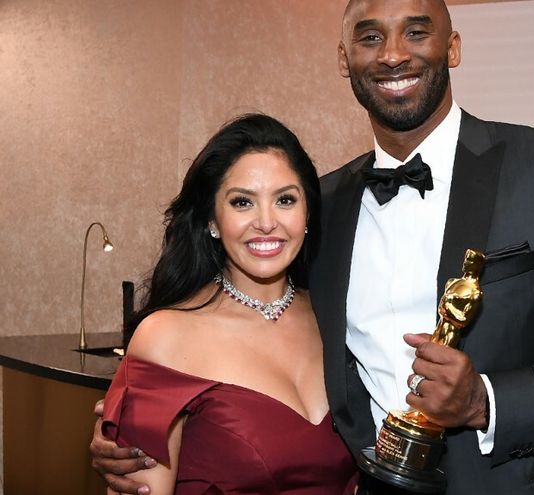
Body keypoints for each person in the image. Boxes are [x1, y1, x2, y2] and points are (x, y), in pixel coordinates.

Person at [93, 1, 534, 493]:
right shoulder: (319, 208)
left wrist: (488, 402)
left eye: (417, 32)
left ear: (453, 47)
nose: (393, 54)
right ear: (344, 59)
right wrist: (140, 425)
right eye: (370, 37)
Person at [95, 113, 357, 494]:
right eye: (242, 202)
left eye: (285, 199)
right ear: (212, 221)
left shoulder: (335, 317)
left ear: (307, 215)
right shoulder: (164, 337)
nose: (266, 222)